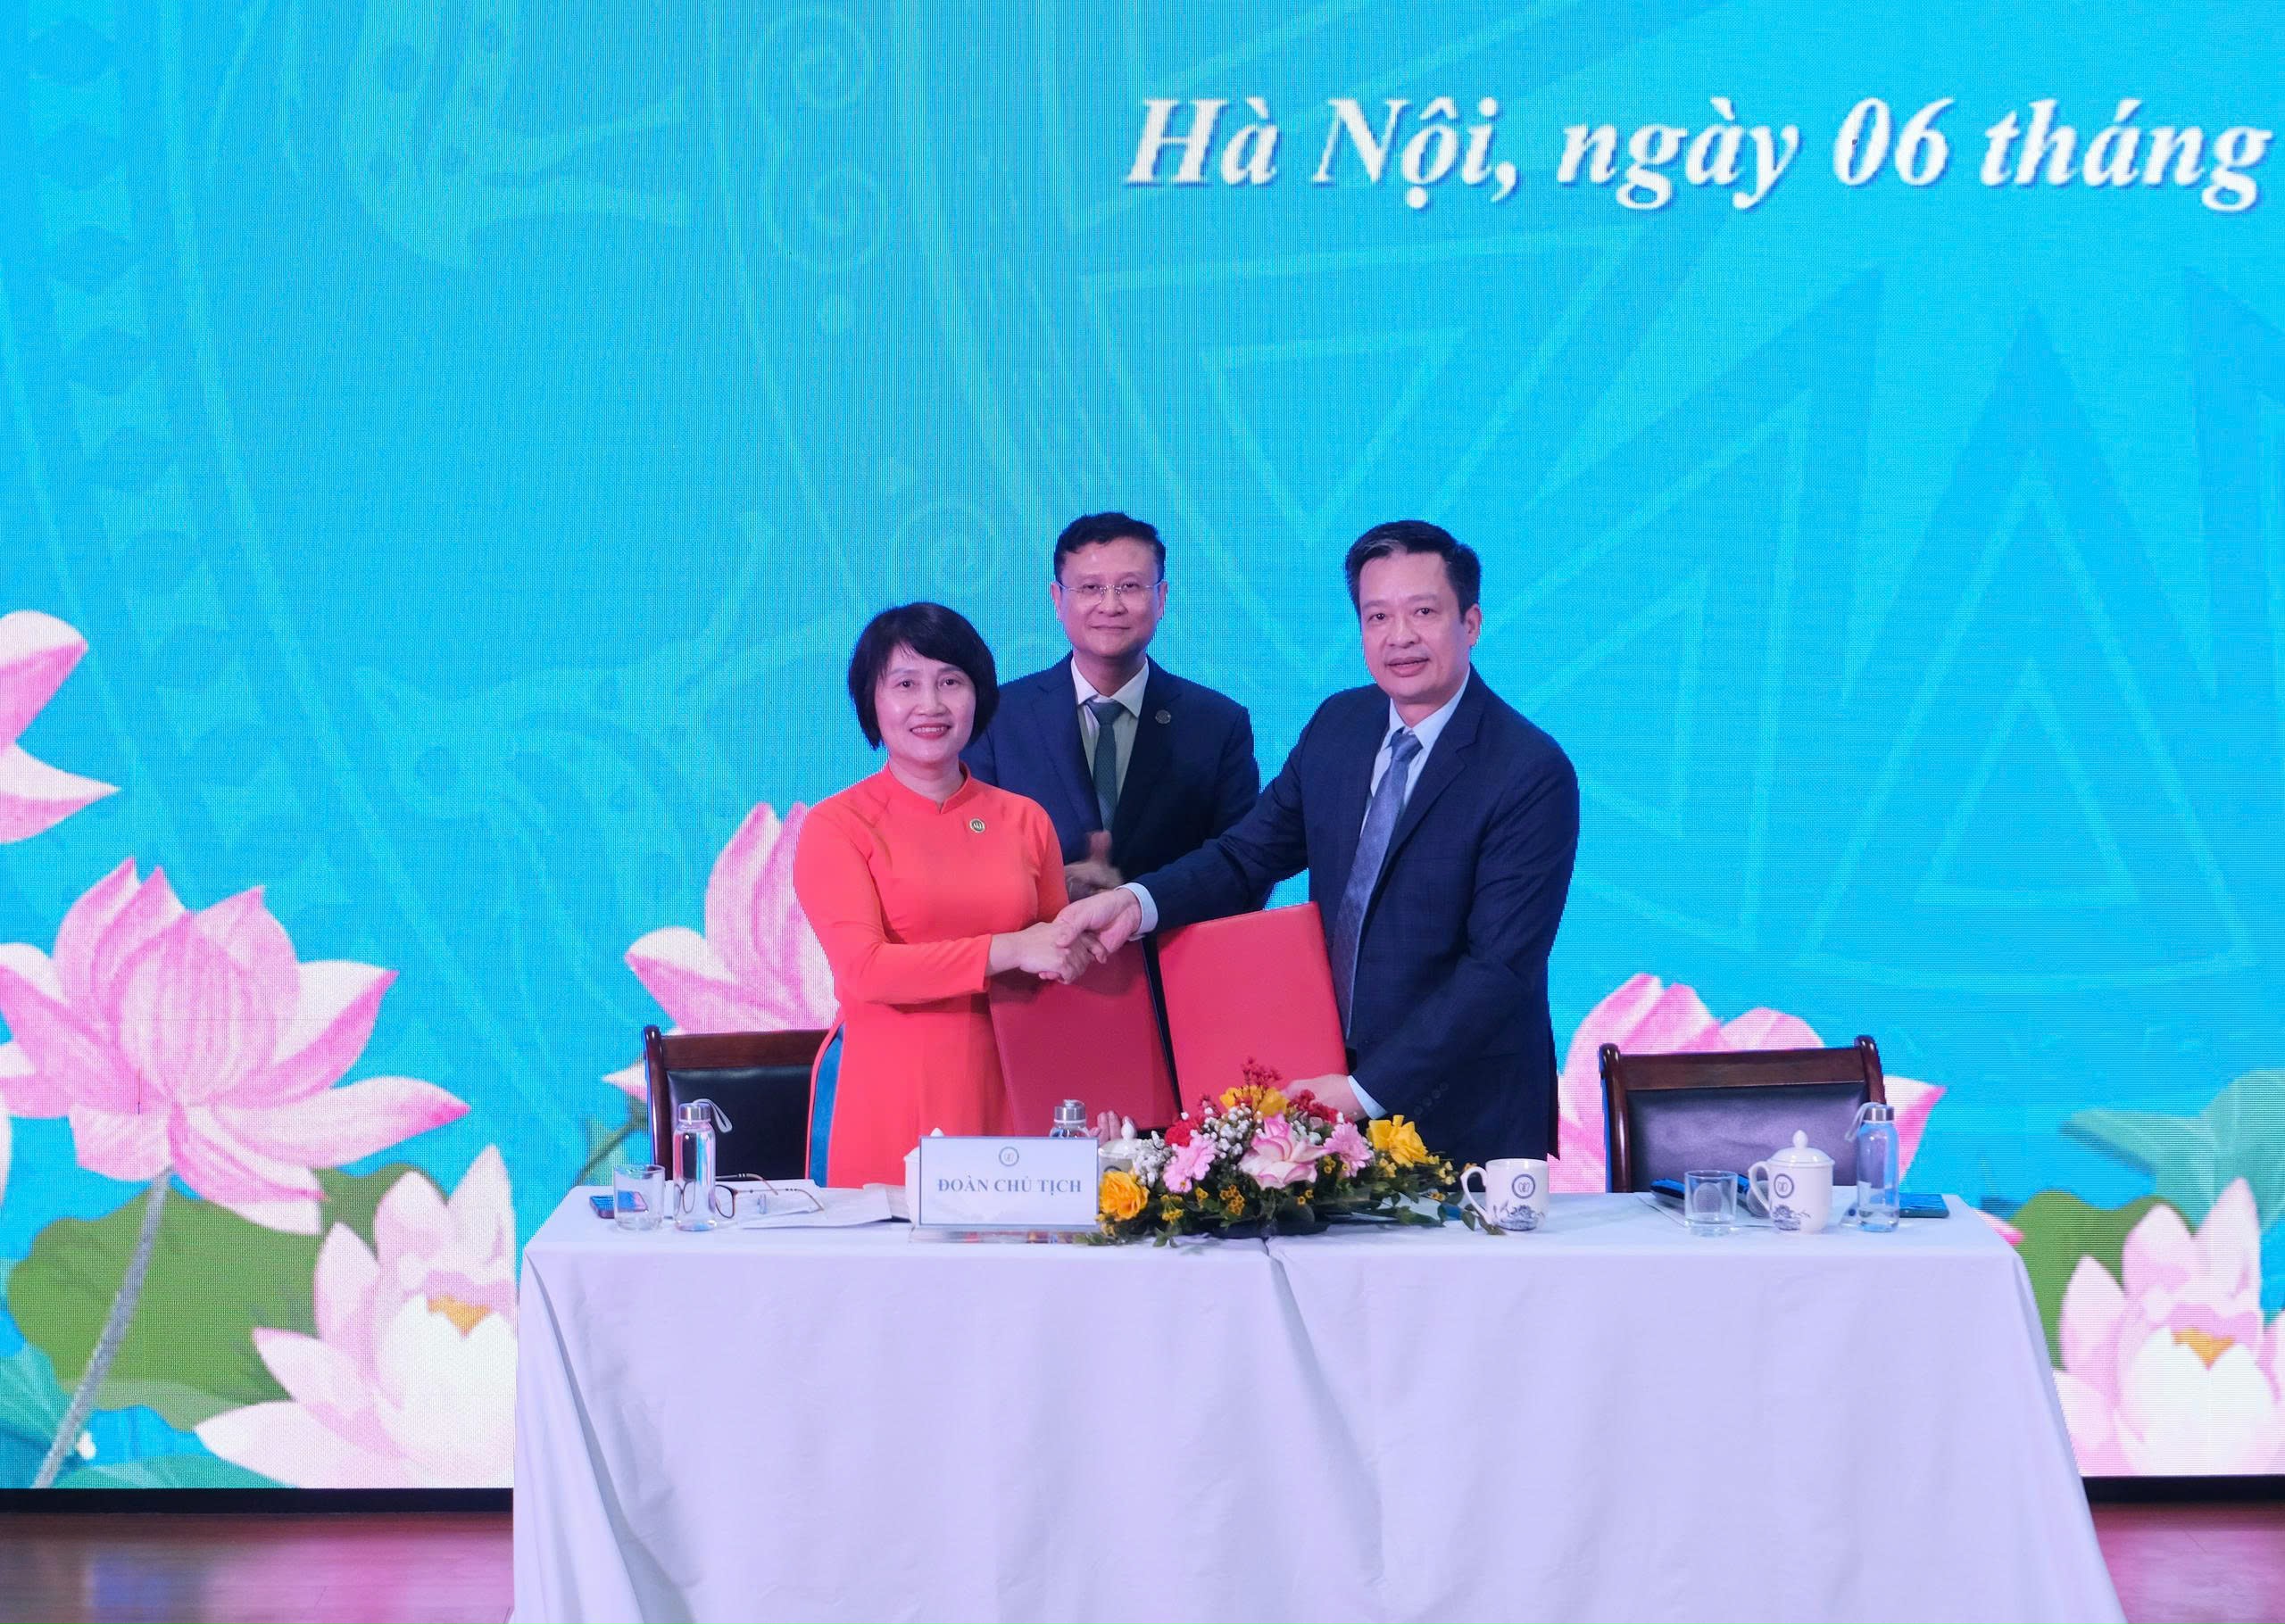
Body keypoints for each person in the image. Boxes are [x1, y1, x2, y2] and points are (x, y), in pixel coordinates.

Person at [1052, 521, 1580, 1168]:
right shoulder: (1340, 725)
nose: (1399, 636)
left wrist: (1363, 1092)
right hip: (1327, 1102)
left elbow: (1497, 970)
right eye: (1377, 616)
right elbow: (1246, 855)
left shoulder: (1528, 770)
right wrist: (1135, 903)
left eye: (1423, 612)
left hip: (1465, 1114)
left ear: (1470, 623)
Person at [794, 602, 1093, 1186]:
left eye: (951, 682)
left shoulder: (1025, 819)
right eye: (906, 684)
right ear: (872, 701)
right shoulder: (838, 825)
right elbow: (867, 971)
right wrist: (1010, 948)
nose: (930, 705)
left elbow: (1057, 963)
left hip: (1013, 1090)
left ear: (978, 695)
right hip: (894, 1093)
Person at [963, 512, 1259, 900]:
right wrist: (1050, 892)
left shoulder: (1217, 724)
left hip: (1172, 939)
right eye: (1090, 588)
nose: (1110, 605)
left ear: (1161, 598)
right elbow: (966, 862)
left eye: (1130, 587)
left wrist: (1140, 902)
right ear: (1057, 599)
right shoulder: (997, 717)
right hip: (1034, 938)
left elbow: (1243, 867)